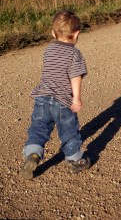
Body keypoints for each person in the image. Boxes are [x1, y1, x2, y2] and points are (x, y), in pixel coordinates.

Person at [20, 10, 91, 180]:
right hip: (62, 101)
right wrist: (76, 98)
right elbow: (75, 77)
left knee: (38, 128)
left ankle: (33, 153)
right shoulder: (75, 54)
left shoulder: (49, 49)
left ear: (53, 33)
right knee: (69, 132)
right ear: (77, 33)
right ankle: (75, 161)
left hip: (42, 98)